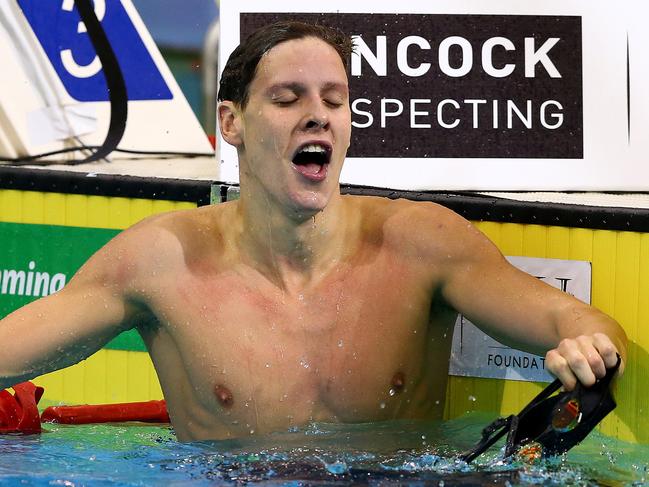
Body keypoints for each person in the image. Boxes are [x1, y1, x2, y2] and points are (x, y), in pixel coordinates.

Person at [0, 21, 626, 442]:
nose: (317, 116)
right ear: (232, 122)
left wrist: (586, 347)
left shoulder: (419, 244)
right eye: (287, 98)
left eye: (334, 99)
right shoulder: (159, 263)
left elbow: (584, 325)